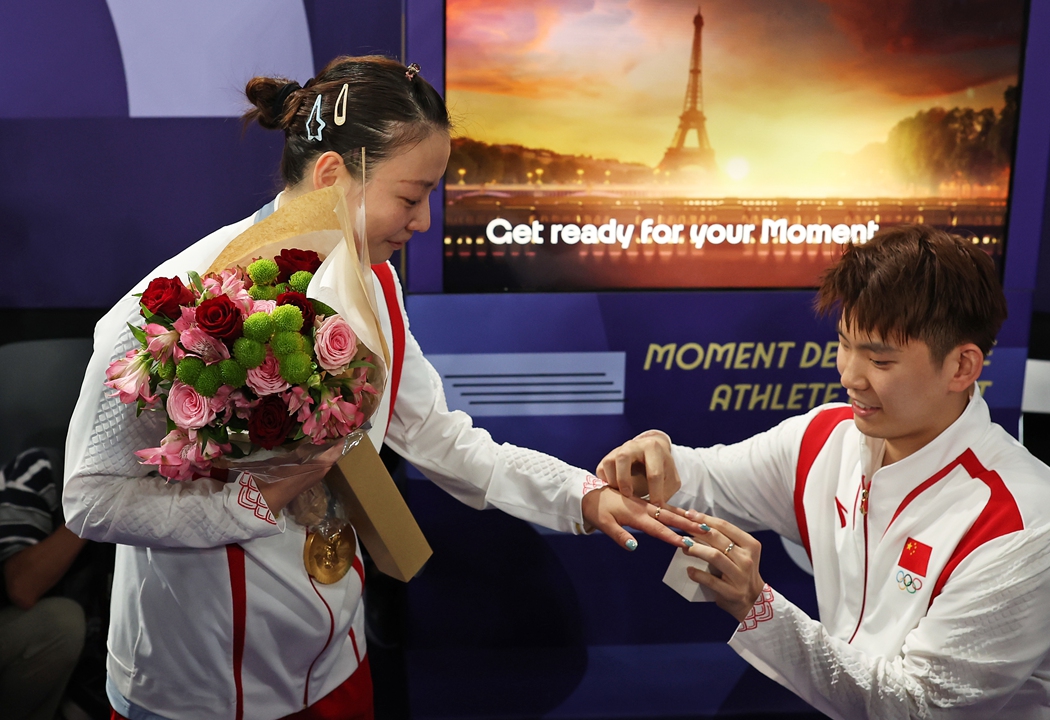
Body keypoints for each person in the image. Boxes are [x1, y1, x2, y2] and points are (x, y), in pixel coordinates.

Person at [63, 55, 693, 720]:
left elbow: (440, 440)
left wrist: (582, 496)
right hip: (194, 689)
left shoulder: (377, 286)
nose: (423, 223)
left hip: (338, 662)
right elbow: (89, 500)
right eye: (412, 196)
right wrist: (250, 501)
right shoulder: (170, 308)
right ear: (333, 173)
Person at [597, 226, 1050, 719]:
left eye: (880, 360)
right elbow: (708, 481)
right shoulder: (827, 437)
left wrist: (759, 607)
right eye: (845, 343)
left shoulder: (1024, 523)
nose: (849, 375)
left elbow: (917, 708)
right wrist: (657, 460)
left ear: (962, 367)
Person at [0, 448, 88, 720]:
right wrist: (94, 506)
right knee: (62, 622)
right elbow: (22, 587)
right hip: (20, 620)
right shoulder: (45, 466)